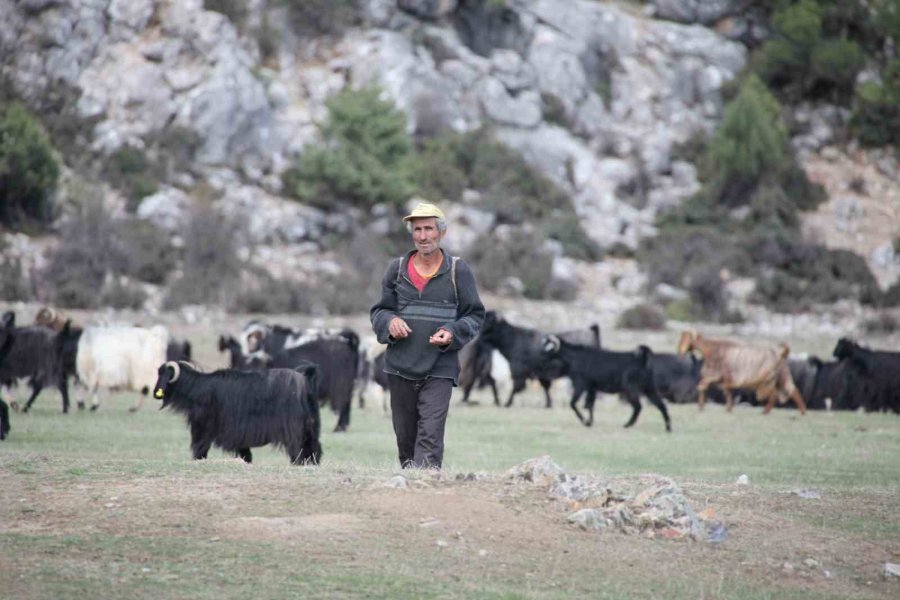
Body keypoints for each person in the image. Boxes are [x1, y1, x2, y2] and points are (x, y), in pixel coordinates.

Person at [370, 202, 485, 469]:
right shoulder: (396, 269)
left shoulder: (458, 271)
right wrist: (390, 321)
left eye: (429, 229)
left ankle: (426, 489)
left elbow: (474, 316)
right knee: (405, 441)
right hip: (400, 368)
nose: (423, 236)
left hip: (440, 368)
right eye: (417, 229)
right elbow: (379, 312)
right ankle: (410, 497)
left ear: (441, 233)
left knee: (430, 438)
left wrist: (452, 331)